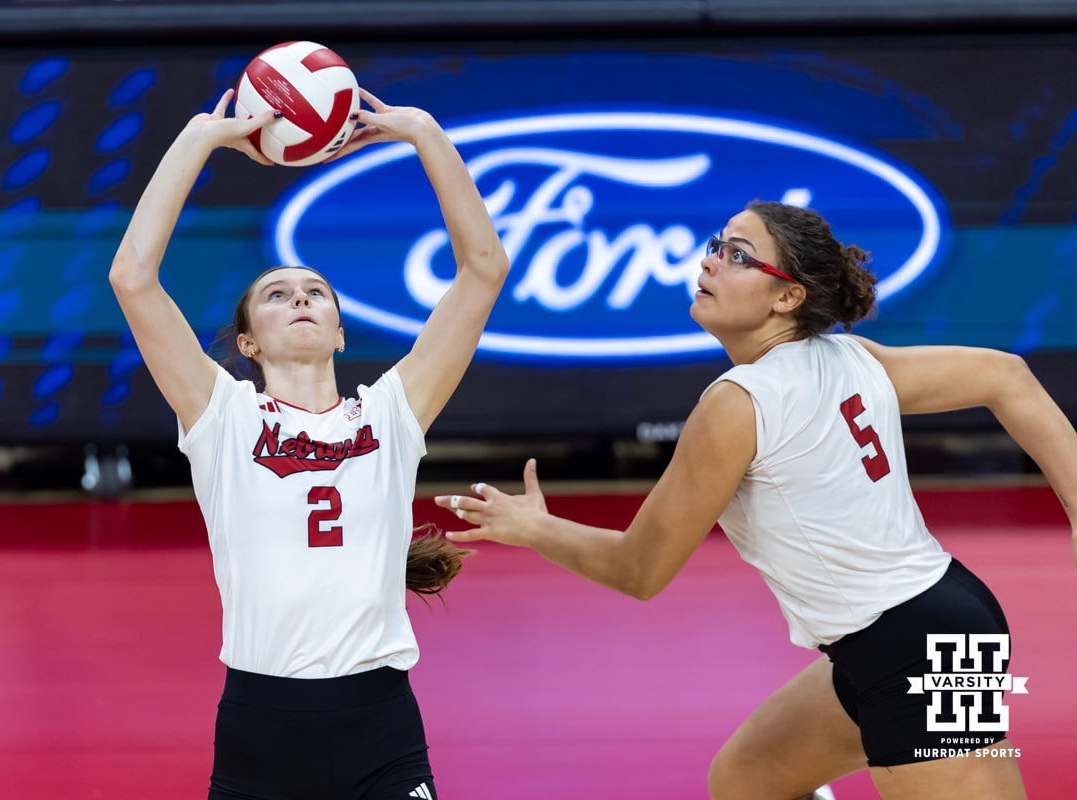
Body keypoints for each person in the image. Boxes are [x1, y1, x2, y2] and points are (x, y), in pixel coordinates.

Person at [436, 200, 1077, 800]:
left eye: (739, 255)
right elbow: (1006, 376)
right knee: (750, 778)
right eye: (718, 245)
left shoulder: (737, 402)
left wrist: (535, 527)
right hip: (921, 626)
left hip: (914, 645)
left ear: (787, 296)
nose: (711, 259)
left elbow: (639, 570)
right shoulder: (851, 356)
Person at [110, 86, 509, 800]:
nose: (300, 299)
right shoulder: (221, 417)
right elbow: (132, 278)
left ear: (340, 331)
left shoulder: (392, 413)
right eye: (277, 293)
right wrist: (201, 137)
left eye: (315, 292)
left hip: (380, 723)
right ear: (247, 343)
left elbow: (483, 270)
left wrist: (424, 133)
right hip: (261, 725)